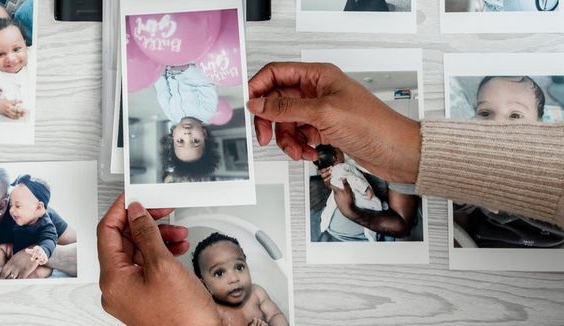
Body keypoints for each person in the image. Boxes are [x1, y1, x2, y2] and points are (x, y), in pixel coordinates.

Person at [97, 62, 563, 325]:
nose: (236, 278)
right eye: (222, 272)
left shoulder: (253, 294)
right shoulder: (216, 307)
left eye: (237, 266)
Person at [454, 76, 562, 248]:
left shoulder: (549, 165)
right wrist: (471, 193)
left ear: (539, 126)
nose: (497, 124)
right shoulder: (474, 160)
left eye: (515, 115)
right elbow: (452, 209)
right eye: (485, 113)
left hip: (549, 251)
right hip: (485, 246)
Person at [192, 232, 289, 326]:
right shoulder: (212, 310)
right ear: (204, 284)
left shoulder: (257, 293)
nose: (234, 279)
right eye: (219, 273)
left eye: (239, 267)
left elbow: (275, 315)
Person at [155, 64, 221, 182]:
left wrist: (158, 72)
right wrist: (186, 69)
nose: (187, 134)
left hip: (166, 66)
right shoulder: (207, 110)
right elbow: (206, 83)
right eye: (195, 141)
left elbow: (162, 93)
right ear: (204, 134)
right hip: (191, 62)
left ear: (174, 134)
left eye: (181, 141)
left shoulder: (171, 114)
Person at [0, 175, 58, 279]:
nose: (11, 210)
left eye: (17, 206)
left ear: (38, 208)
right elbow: (6, 234)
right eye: (11, 205)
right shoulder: (18, 219)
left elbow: (50, 239)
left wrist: (43, 250)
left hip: (37, 260)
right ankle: (0, 268)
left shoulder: (45, 225)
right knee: (0, 249)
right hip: (16, 251)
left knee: (38, 273)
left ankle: (22, 276)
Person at [314, 145, 386, 242]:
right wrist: (365, 188)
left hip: (339, 214)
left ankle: (325, 222)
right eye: (337, 150)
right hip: (354, 195)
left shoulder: (331, 171)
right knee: (371, 206)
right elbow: (353, 179)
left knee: (331, 205)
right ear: (334, 157)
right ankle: (371, 234)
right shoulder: (342, 167)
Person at [0, 17, 31, 122]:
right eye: (0, 54)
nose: (11, 59)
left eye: (16, 49)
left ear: (25, 45)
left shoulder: (33, 58)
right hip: (13, 130)